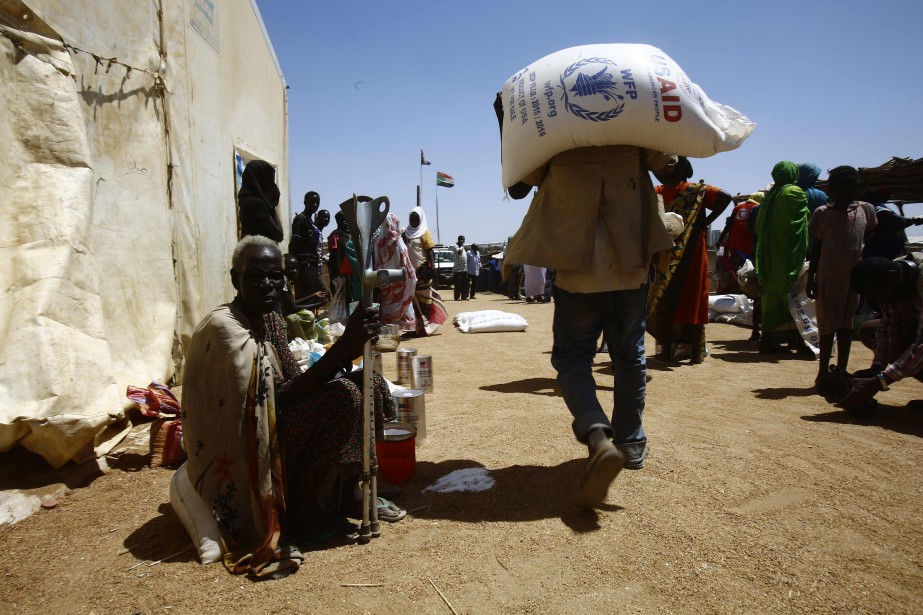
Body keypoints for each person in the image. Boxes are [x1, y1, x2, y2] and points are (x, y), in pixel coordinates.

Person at [181, 236, 397, 578]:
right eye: (255, 276)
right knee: (343, 398)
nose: (268, 285)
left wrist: (351, 350)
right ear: (235, 279)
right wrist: (341, 349)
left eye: (275, 276)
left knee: (368, 384)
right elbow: (272, 403)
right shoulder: (225, 328)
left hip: (277, 419)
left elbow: (296, 379)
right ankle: (307, 516)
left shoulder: (271, 319)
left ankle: (349, 492)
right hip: (251, 437)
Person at [504, 144, 680, 508]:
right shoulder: (635, 129)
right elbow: (675, 171)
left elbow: (518, 186)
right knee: (629, 356)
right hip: (631, 266)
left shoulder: (555, 131)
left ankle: (598, 432)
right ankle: (630, 442)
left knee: (572, 359)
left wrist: (506, 123)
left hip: (577, 271)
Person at [648, 159, 732, 363]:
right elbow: (726, 197)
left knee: (666, 298)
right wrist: (705, 222)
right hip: (691, 250)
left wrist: (705, 221)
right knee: (693, 298)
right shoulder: (697, 191)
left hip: (667, 253)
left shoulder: (659, 190)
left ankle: (667, 351)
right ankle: (694, 353)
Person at [807, 166, 877, 396]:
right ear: (832, 189)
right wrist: (812, 278)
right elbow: (816, 249)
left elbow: (868, 237)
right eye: (842, 187)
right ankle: (823, 371)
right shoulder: (822, 213)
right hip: (827, 276)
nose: (848, 192)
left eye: (852, 187)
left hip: (853, 277)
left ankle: (841, 371)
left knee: (846, 324)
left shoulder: (865, 210)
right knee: (827, 326)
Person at [842, 253, 923, 414]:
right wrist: (876, 369)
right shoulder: (892, 278)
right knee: (870, 330)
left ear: (894, 278)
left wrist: (879, 382)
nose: (879, 301)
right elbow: (890, 328)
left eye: (878, 295)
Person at [754, 161, 811, 354]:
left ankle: (768, 339)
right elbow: (800, 225)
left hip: (768, 257)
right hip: (787, 256)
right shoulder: (795, 193)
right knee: (795, 297)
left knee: (771, 296)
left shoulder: (769, 197)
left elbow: (758, 225)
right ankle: (800, 341)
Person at [402, 206, 448, 336]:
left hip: (423, 272)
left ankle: (426, 328)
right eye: (412, 218)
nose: (414, 221)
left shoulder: (425, 233)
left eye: (416, 218)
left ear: (421, 219)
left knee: (425, 300)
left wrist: (433, 270)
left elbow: (430, 253)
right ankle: (416, 328)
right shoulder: (405, 234)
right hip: (409, 272)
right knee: (411, 301)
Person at [373, 213, 417, 332]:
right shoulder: (397, 241)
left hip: (385, 282)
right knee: (402, 303)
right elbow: (406, 261)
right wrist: (411, 277)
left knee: (388, 306)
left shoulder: (378, 242)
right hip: (400, 280)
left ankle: (388, 331)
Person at [862, 187, 923, 261]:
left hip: (878, 250)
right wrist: (913, 220)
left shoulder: (871, 209)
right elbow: (900, 221)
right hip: (882, 250)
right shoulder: (879, 209)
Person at [291, 193, 328, 300]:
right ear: (305, 202)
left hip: (312, 263)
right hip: (304, 263)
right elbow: (294, 241)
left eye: (317, 202)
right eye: (312, 202)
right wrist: (294, 264)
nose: (315, 204)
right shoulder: (300, 219)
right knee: (305, 294)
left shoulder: (311, 221)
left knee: (313, 294)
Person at [237, 160, 283, 242]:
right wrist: (271, 207)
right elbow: (279, 235)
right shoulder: (257, 204)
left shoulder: (245, 200)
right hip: (262, 251)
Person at [452, 235, 468, 301]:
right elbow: (459, 252)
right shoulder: (455, 246)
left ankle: (464, 296)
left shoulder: (463, 248)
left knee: (465, 283)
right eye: (462, 240)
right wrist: (461, 246)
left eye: (464, 240)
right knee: (458, 284)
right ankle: (457, 297)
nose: (463, 241)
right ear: (459, 240)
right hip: (458, 270)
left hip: (464, 269)